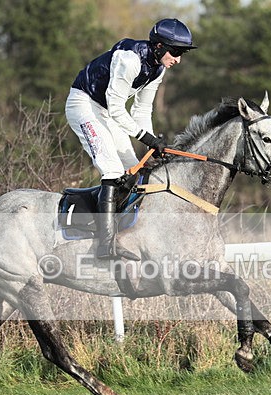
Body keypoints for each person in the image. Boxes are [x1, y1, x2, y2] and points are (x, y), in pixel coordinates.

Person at [65, 18, 197, 261]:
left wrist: (150, 144)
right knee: (112, 170)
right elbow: (117, 109)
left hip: (104, 110)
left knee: (132, 169)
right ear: (159, 47)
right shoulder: (129, 60)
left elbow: (141, 111)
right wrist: (146, 137)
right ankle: (105, 245)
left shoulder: (157, 69)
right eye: (176, 51)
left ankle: (124, 233)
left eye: (182, 53)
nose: (178, 59)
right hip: (83, 104)